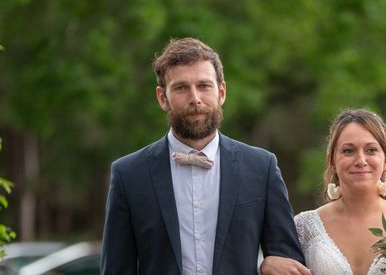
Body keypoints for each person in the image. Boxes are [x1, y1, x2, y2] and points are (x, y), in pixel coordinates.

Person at [101, 37, 310, 275]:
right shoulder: (128, 174)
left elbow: (288, 261)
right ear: (162, 98)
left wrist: (268, 265)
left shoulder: (262, 168)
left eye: (204, 86)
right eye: (181, 88)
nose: (195, 98)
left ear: (221, 92)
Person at [292, 108, 386, 275]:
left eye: (371, 150)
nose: (361, 160)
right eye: (348, 151)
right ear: (332, 161)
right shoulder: (303, 227)